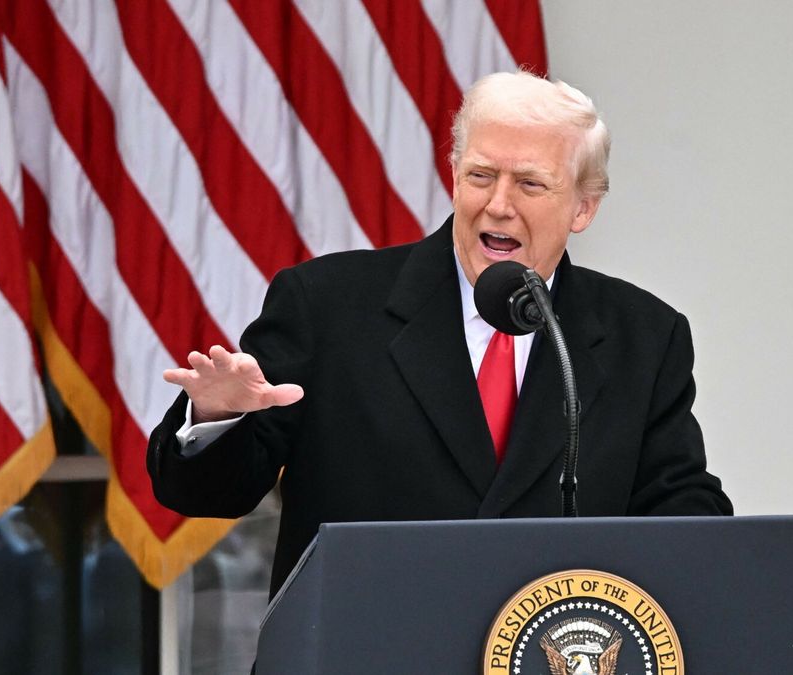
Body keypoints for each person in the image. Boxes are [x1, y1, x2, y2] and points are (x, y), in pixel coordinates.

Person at [147, 71, 731, 597]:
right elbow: (210, 494)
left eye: (529, 184)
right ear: (454, 175)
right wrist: (218, 419)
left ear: (583, 208)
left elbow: (679, 508)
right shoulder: (327, 304)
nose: (497, 205)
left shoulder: (644, 336)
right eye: (480, 176)